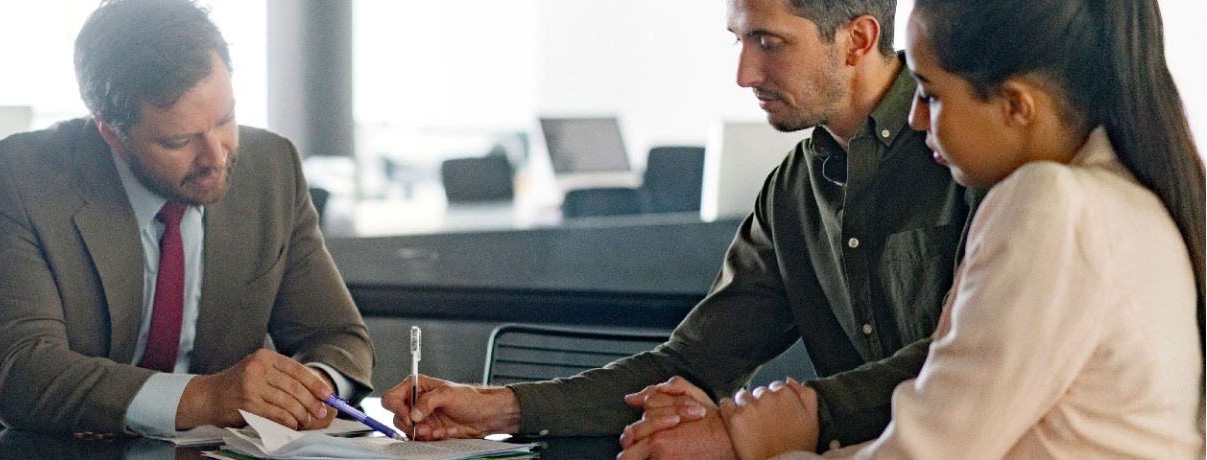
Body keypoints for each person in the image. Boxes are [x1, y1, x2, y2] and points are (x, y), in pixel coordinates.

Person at [385, 0, 974, 456]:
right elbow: (693, 364)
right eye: (740, 39)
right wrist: (497, 409)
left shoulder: (974, 157)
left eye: (768, 42)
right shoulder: (793, 190)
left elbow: (964, 364)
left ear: (858, 40)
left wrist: (751, 430)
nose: (745, 73)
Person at [708, 0, 1207, 457]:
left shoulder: (1052, 203)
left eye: (931, 95)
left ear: (1015, 104)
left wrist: (767, 443)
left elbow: (927, 453)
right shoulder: (1122, 198)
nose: (917, 119)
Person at [0, 0, 374, 435]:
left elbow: (337, 336)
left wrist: (314, 390)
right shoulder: (15, 181)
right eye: (179, 141)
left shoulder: (271, 168)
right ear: (111, 133)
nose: (216, 156)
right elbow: (21, 374)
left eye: (225, 118)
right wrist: (205, 398)